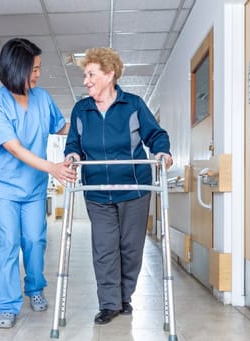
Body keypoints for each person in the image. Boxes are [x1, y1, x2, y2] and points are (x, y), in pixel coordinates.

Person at [64, 47, 173, 325]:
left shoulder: (133, 105)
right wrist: (73, 156)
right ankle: (110, 303)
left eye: (91, 74)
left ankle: (125, 296)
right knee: (104, 247)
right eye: (85, 75)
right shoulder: (81, 109)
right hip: (97, 191)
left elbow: (155, 134)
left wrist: (162, 152)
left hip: (134, 188)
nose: (86, 81)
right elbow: (74, 143)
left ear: (109, 74)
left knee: (130, 247)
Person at [0, 38, 76, 329]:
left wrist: (92, 122)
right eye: (33, 69)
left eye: (38, 68)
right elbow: (14, 148)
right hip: (3, 188)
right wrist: (53, 167)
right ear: (16, 69)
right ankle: (7, 304)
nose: (37, 74)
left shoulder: (43, 99)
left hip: (34, 187)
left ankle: (35, 288)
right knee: (8, 242)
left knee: (35, 240)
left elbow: (62, 127)